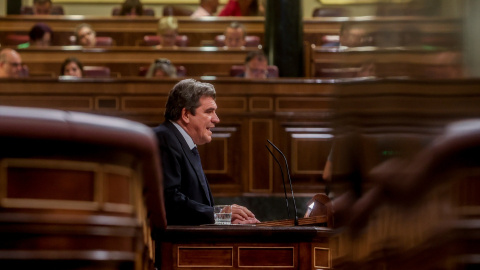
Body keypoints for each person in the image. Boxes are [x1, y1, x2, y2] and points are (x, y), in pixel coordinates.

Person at [153, 79, 260, 225]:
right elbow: (169, 201)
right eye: (209, 111)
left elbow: (195, 206)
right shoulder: (164, 139)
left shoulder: (179, 141)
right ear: (186, 114)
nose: (216, 119)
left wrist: (227, 219)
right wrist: (222, 214)